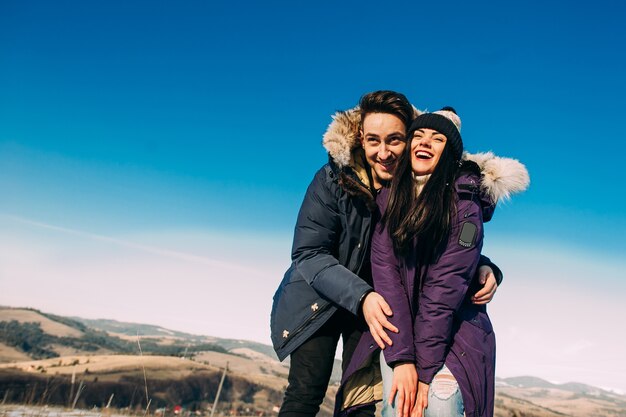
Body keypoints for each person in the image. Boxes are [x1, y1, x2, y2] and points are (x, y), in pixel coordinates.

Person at [270, 92, 502, 417]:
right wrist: (362, 296)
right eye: (373, 141)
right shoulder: (333, 180)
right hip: (318, 298)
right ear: (360, 140)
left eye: (395, 140)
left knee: (360, 402)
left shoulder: (416, 188)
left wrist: (483, 265)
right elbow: (308, 253)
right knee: (306, 394)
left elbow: (446, 247)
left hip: (379, 308)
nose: (384, 152)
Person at [371, 108, 529, 417]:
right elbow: (387, 277)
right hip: (400, 333)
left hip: (455, 336)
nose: (425, 142)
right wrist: (403, 360)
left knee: (440, 407)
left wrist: (426, 371)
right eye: (418, 135)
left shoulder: (465, 207)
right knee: (397, 409)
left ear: (450, 154)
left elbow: (446, 286)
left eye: (437, 138)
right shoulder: (388, 199)